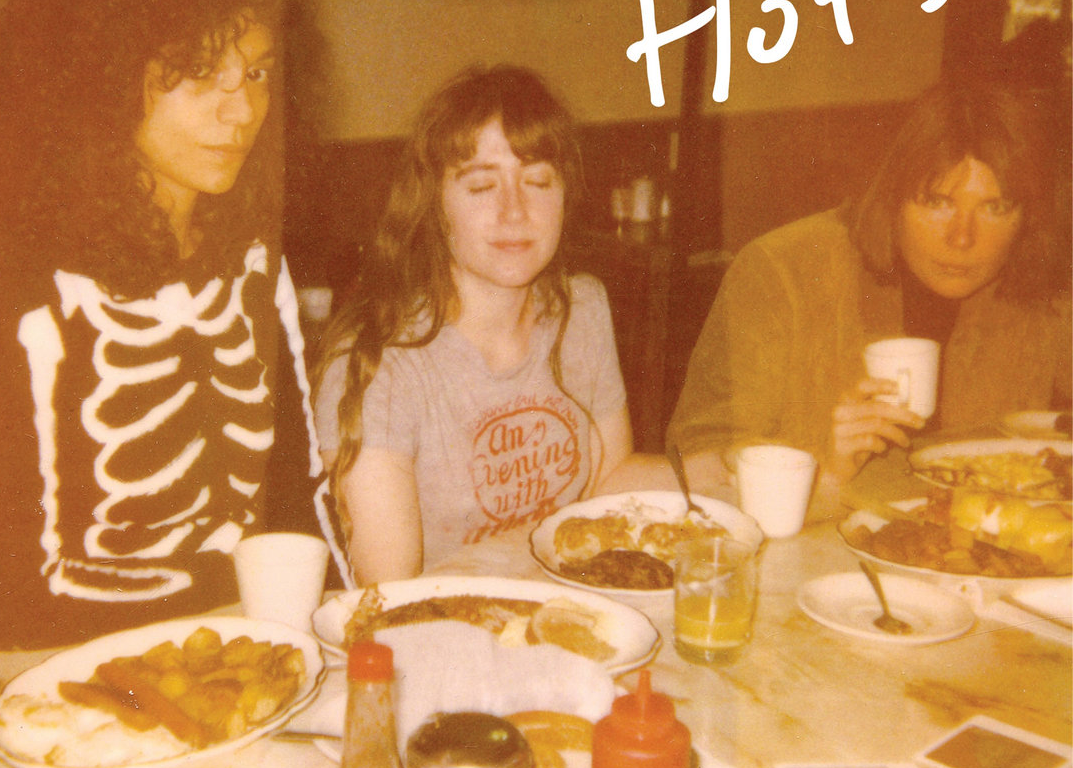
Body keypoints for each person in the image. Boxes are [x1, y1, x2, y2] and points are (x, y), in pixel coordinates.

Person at [0, 0, 336, 650]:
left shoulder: (254, 265)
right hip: (75, 672)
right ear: (99, 80)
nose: (242, 112)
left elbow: (299, 505)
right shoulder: (22, 296)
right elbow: (3, 595)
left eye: (257, 73)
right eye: (199, 73)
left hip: (257, 648)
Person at [312, 65, 666, 584]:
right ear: (434, 206)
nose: (515, 211)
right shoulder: (374, 365)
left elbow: (608, 484)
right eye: (481, 186)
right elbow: (390, 593)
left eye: (538, 181)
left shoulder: (583, 308)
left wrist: (729, 466)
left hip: (568, 609)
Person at [668, 82, 1071, 509]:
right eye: (936, 202)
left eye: (995, 208)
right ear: (892, 194)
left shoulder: (1043, 293)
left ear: (1029, 216)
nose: (961, 237)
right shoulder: (784, 269)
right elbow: (698, 456)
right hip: (811, 542)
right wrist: (818, 463)